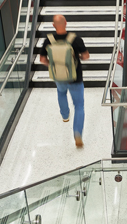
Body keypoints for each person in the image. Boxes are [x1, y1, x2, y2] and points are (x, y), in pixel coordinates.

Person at [36, 14, 90, 147]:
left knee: (61, 93)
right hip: (75, 77)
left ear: (53, 25)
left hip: (58, 76)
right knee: (79, 105)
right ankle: (77, 134)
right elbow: (86, 56)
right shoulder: (75, 39)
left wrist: (54, 66)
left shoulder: (48, 40)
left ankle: (65, 116)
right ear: (66, 23)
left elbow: (42, 60)